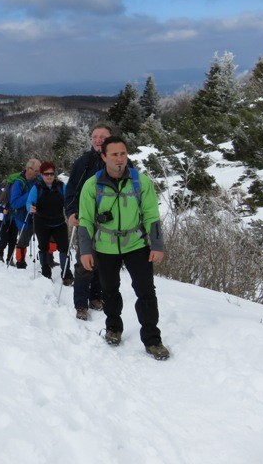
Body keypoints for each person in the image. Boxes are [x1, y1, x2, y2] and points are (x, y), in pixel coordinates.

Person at [79, 136, 170, 360]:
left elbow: (152, 215)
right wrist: (85, 251)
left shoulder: (141, 182)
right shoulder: (92, 185)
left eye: (123, 154)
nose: (120, 159)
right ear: (104, 157)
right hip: (105, 246)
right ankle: (113, 328)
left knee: (146, 292)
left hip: (136, 244)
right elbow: (85, 220)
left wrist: (157, 244)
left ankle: (152, 340)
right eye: (114, 155)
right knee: (109, 290)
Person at [64, 124, 111, 320]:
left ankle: (96, 297)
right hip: (85, 218)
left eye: (103, 137)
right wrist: (71, 213)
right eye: (95, 136)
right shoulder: (83, 162)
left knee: (104, 260)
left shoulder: (120, 161)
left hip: (111, 222)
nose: (98, 140)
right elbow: (72, 190)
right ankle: (81, 304)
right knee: (85, 260)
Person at [26, 162, 71, 280]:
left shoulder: (61, 186)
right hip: (42, 223)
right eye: (46, 174)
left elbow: (68, 202)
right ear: (41, 174)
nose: (49, 176)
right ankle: (46, 270)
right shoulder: (37, 188)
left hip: (59, 222)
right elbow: (29, 202)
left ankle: (66, 272)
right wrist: (30, 208)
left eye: (51, 173)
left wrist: (72, 211)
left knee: (64, 248)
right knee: (44, 247)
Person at [10, 159, 41, 268]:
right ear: (29, 169)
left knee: (46, 238)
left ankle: (47, 261)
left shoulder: (38, 180)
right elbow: (14, 203)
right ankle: (20, 262)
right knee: (23, 240)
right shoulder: (19, 183)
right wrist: (30, 194)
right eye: (37, 171)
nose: (39, 173)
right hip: (23, 217)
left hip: (37, 215)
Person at [0, 171, 23, 263]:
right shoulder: (3, 189)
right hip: (3, 218)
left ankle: (10, 258)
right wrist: (3, 210)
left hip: (14, 217)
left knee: (13, 239)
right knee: (4, 238)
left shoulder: (20, 189)